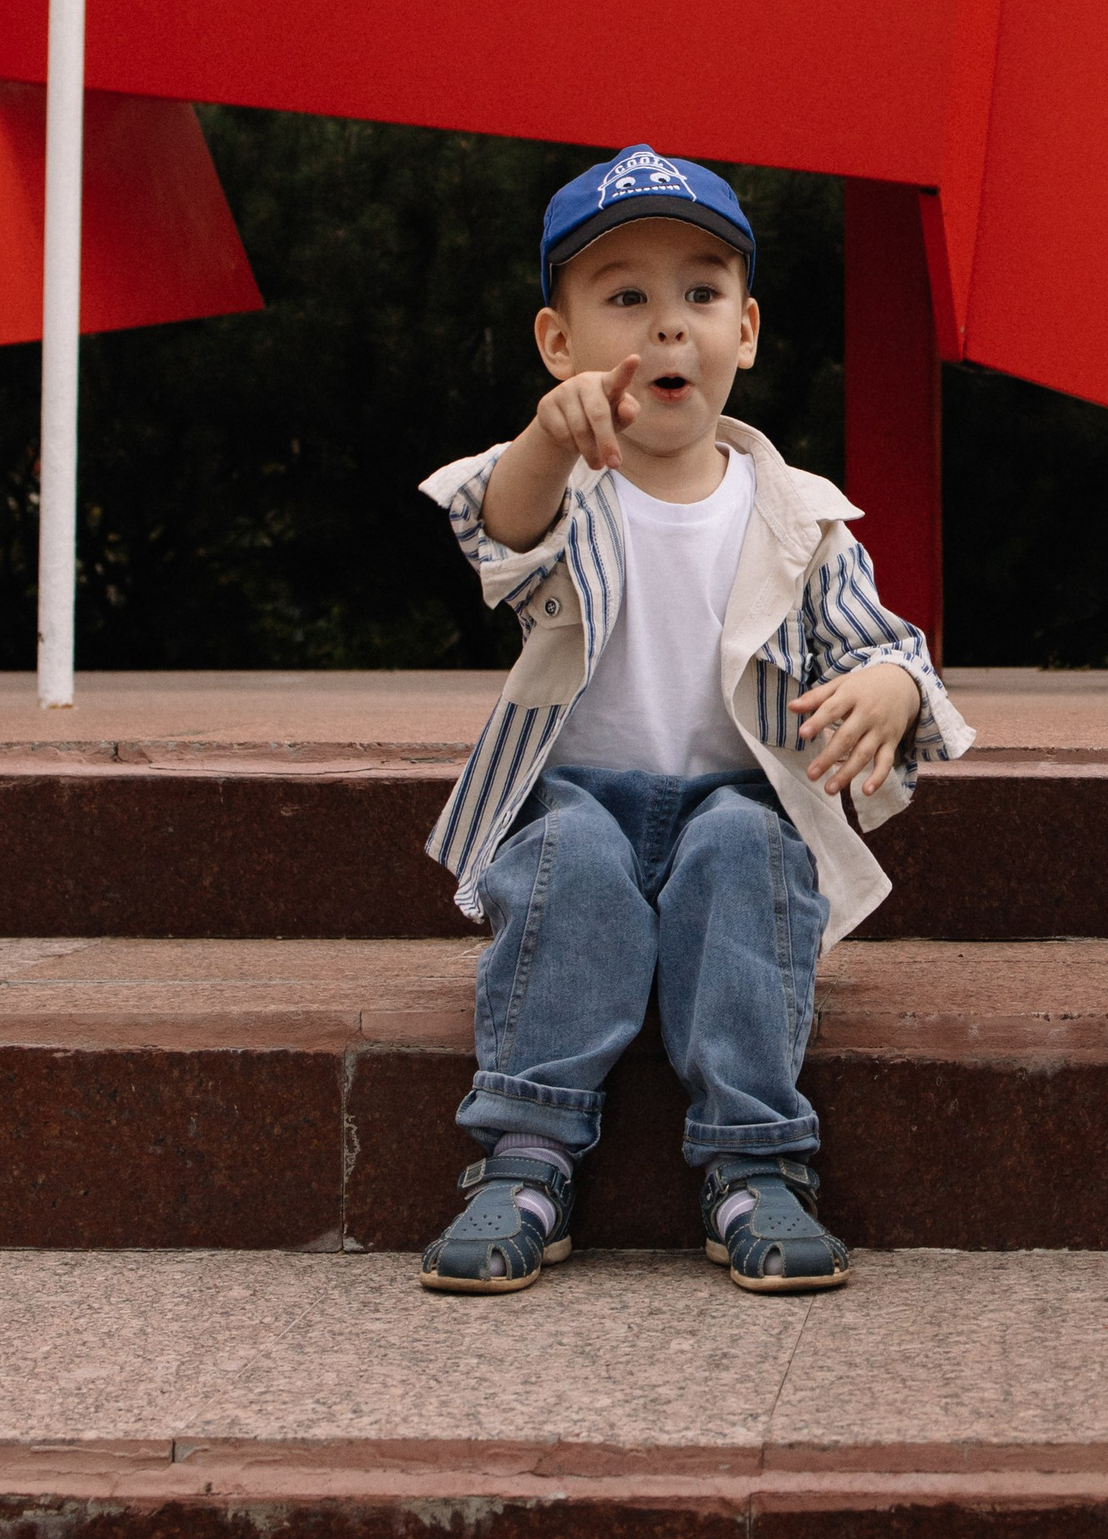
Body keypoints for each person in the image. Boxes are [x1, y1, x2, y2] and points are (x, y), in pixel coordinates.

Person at [414, 147, 970, 1295]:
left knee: (747, 853)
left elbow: (884, 641)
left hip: (733, 800)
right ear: (559, 345)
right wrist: (549, 437)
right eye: (626, 297)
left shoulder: (800, 516)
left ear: (748, 329)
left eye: (700, 295)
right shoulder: (567, 485)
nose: (669, 328)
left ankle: (754, 1158)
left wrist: (894, 688)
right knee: (565, 863)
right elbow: (497, 531)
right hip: (585, 796)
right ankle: (526, 1152)